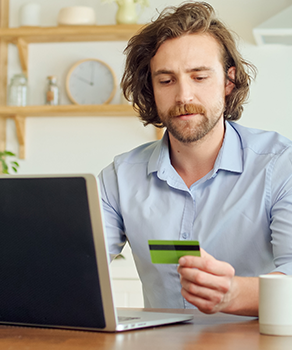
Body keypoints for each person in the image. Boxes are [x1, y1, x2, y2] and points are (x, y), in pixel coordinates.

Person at [98, 1, 292, 316]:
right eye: (166, 80)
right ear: (151, 87)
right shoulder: (119, 178)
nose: (184, 95)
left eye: (199, 77)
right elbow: (77, 267)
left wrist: (234, 295)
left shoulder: (280, 164)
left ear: (228, 81)